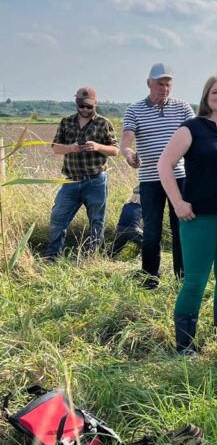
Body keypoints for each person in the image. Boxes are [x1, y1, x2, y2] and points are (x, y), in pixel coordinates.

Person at [157, 76, 217, 354]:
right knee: (196, 279)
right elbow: (165, 164)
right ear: (206, 97)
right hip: (199, 217)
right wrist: (177, 202)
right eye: (215, 92)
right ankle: (184, 346)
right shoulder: (192, 128)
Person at [120, 64, 194, 288]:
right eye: (160, 84)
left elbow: (195, 135)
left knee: (181, 227)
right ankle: (150, 278)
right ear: (149, 83)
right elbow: (126, 143)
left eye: (168, 84)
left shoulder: (182, 108)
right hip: (150, 178)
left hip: (179, 177)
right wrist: (129, 154)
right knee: (151, 230)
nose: (164, 88)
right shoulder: (135, 110)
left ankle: (183, 279)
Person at [44, 87, 118, 260]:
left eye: (88, 107)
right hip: (71, 181)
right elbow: (55, 147)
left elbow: (115, 150)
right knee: (58, 219)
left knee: (96, 221)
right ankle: (52, 256)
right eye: (81, 105)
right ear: (76, 102)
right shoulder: (66, 122)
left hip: (95, 180)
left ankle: (92, 257)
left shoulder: (103, 123)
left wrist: (97, 146)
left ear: (95, 104)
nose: (84, 109)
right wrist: (71, 148)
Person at [111, 187, 143, 258]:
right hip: (133, 230)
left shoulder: (126, 205)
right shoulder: (143, 206)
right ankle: (141, 259)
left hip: (120, 229)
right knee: (148, 243)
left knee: (115, 248)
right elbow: (143, 224)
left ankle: (107, 257)